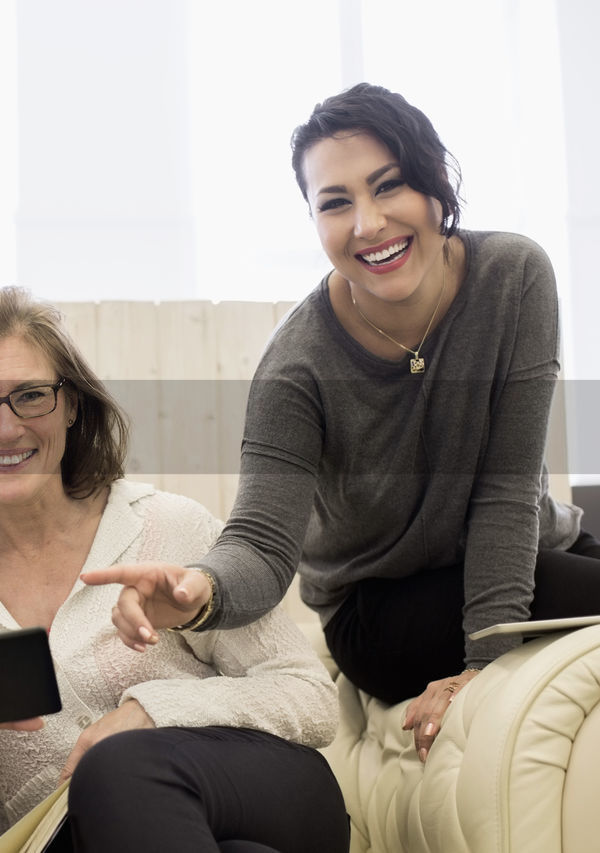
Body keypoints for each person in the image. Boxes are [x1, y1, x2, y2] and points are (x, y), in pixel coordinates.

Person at [84, 82, 600, 762]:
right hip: (385, 612)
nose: (368, 223)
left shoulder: (514, 276)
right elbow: (263, 545)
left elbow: (505, 494)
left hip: (522, 554)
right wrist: (197, 591)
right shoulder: (296, 366)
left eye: (389, 186)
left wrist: (483, 661)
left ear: (437, 186)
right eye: (335, 203)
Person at [0, 287, 347, 853]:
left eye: (32, 396)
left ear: (72, 405)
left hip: (266, 796)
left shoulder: (167, 527)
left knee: (119, 765)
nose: (5, 427)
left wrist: (150, 712)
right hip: (82, 840)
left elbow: (310, 698)